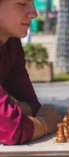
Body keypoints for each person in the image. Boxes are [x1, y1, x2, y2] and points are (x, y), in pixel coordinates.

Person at [0, 0, 62, 145]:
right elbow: (12, 130)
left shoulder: (12, 43)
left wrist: (11, 112)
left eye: (32, 3)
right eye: (22, 3)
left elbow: (33, 106)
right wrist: (46, 123)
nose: (34, 13)